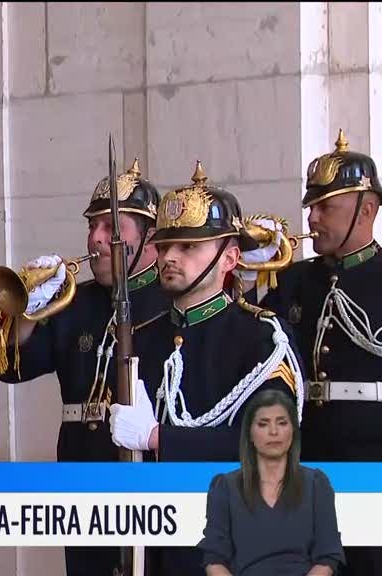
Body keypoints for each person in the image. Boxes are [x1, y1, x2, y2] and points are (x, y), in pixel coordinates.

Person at [108, 161, 304, 575]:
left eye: (188, 247)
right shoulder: (144, 339)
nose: (169, 258)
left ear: (230, 256)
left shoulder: (262, 338)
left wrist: (160, 437)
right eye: (164, 247)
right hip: (159, 543)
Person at [0, 159, 168, 576]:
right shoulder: (75, 302)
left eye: (109, 228)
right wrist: (28, 309)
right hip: (81, 475)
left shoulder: (172, 302)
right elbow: (11, 368)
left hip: (151, 481)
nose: (96, 239)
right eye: (92, 226)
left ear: (150, 240)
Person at [253, 129, 382, 575]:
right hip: (306, 459)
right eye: (311, 206)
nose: (311, 219)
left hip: (372, 464)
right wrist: (253, 268)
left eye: (326, 206)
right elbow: (249, 336)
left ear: (367, 209)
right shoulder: (294, 279)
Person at [198, 389, 345, 575]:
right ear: (250, 434)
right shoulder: (225, 487)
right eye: (263, 424)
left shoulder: (316, 484)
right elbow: (214, 560)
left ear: (293, 431)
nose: (274, 432)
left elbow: (327, 557)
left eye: (282, 423)